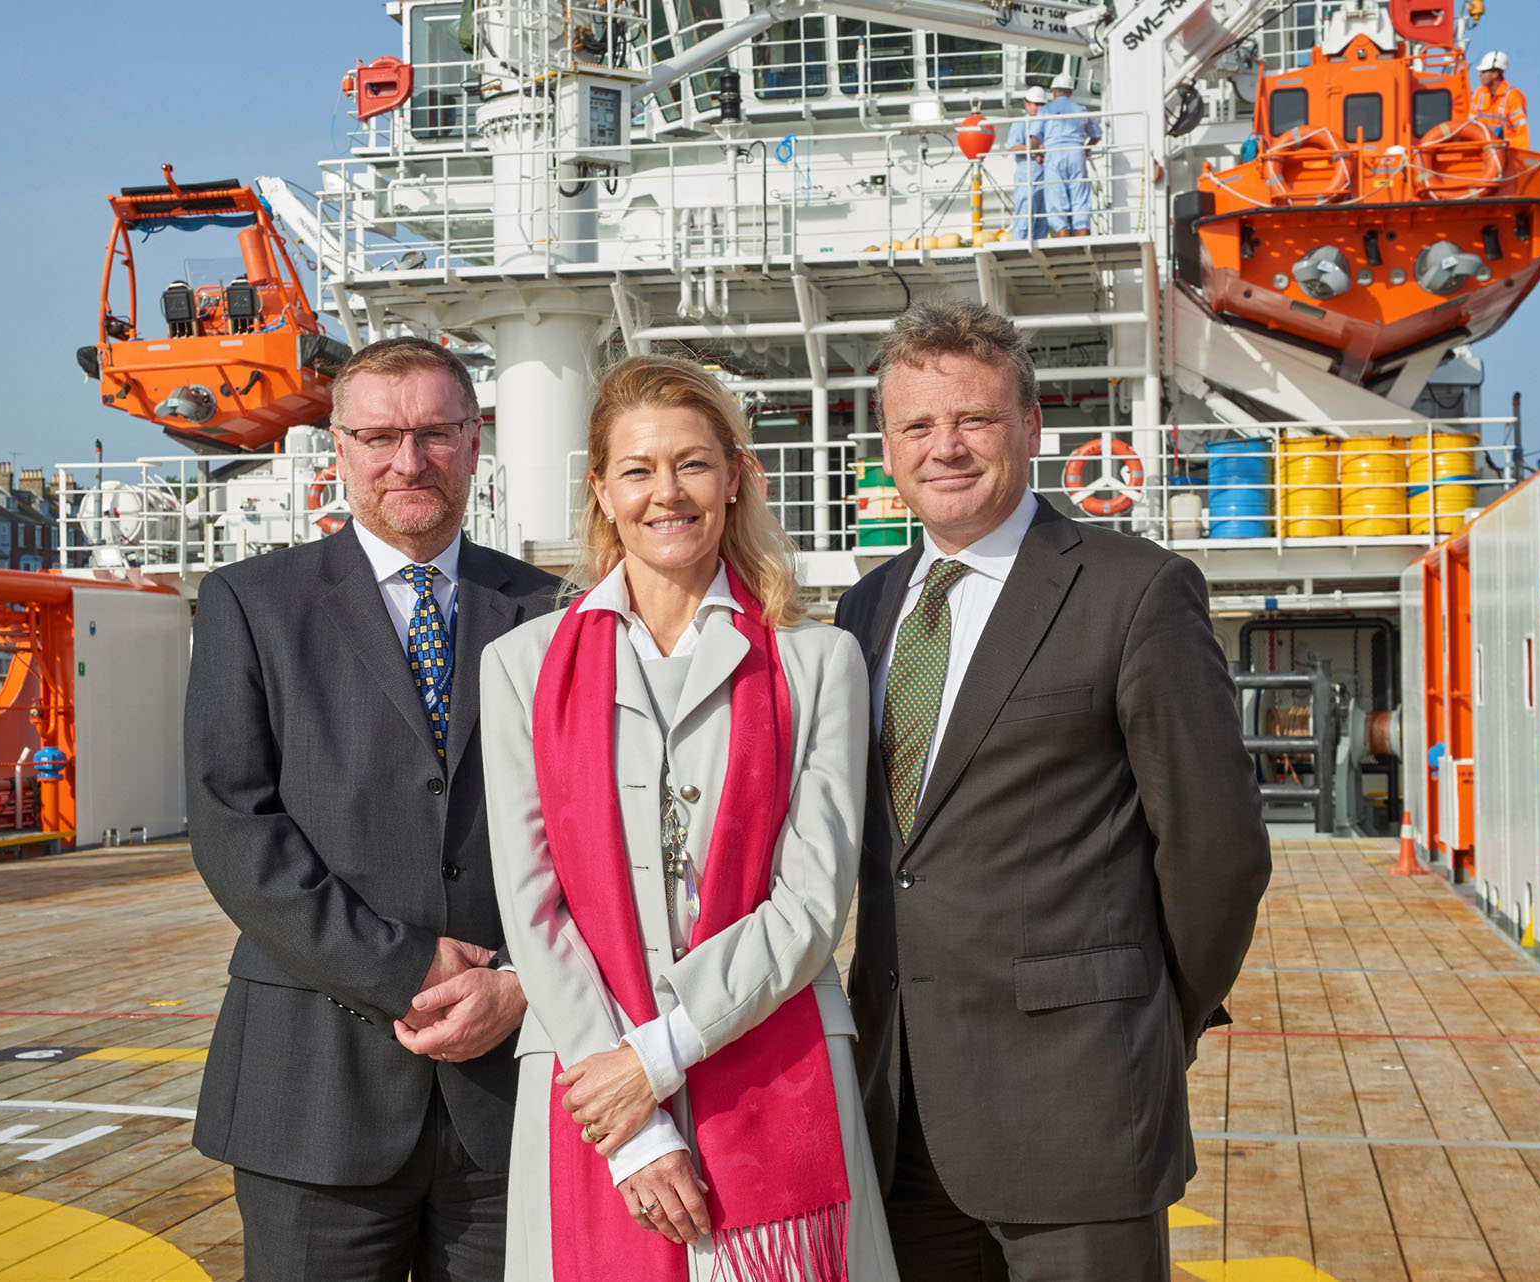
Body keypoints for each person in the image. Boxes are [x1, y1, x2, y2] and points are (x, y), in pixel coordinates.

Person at [834, 301, 1271, 1282]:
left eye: (975, 419)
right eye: (916, 425)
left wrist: (1147, 1021)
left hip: (1081, 1104)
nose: (945, 447)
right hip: (902, 1109)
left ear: (1031, 428)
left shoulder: (1135, 590)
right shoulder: (866, 608)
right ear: (889, 447)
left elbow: (1217, 851)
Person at [480, 356, 899, 1282]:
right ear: (601, 491)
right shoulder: (520, 666)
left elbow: (812, 903)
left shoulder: (817, 660)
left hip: (770, 1056)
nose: (666, 493)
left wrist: (657, 1056)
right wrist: (629, 1120)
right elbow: (532, 904)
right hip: (588, 1082)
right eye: (637, 470)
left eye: (693, 464)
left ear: (735, 477)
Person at [186, 336, 559, 1282]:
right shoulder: (251, 604)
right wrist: (406, 968)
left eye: (434, 433)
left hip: (515, 1085)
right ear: (340, 449)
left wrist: (524, 982)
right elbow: (235, 828)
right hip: (314, 1092)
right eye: (380, 437)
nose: (408, 461)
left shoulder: (555, 611)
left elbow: (598, 832)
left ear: (474, 442)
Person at [1040, 73, 1101, 237]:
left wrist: (1037, 152)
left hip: (1053, 155)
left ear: (1054, 91)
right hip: (1076, 154)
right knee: (1080, 196)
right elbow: (1097, 134)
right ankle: (1083, 234)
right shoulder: (1081, 110)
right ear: (1071, 91)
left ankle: (1062, 235)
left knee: (1056, 196)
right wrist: (1086, 150)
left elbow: (1034, 137)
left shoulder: (1045, 110)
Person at [1002, 86, 1047, 242]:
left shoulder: (1046, 123)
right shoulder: (1021, 123)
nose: (1038, 108)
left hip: (1045, 172)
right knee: (1026, 211)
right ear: (1027, 105)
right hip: (1027, 170)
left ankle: (1041, 244)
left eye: (1042, 104)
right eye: (1036, 104)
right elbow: (1013, 146)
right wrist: (1035, 149)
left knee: (1043, 215)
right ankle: (1020, 244)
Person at [1470, 51, 1529, 150]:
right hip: (1481, 150)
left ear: (1495, 74)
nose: (1479, 75)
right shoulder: (1479, 93)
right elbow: (1470, 124)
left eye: (1483, 71)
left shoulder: (1512, 96)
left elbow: (1520, 132)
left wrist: (1519, 155)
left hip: (1505, 152)